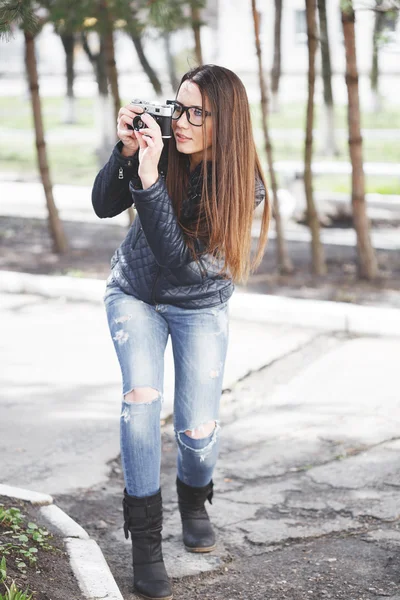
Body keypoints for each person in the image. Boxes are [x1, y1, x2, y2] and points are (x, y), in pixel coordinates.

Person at [91, 64, 270, 600]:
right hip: (135, 294)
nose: (182, 121)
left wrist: (148, 182)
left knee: (197, 432)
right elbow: (104, 205)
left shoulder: (245, 190)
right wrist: (125, 154)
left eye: (197, 113)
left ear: (226, 123)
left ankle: (194, 498)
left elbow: (181, 265)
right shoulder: (162, 148)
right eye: (178, 106)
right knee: (142, 398)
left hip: (198, 306)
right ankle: (145, 544)